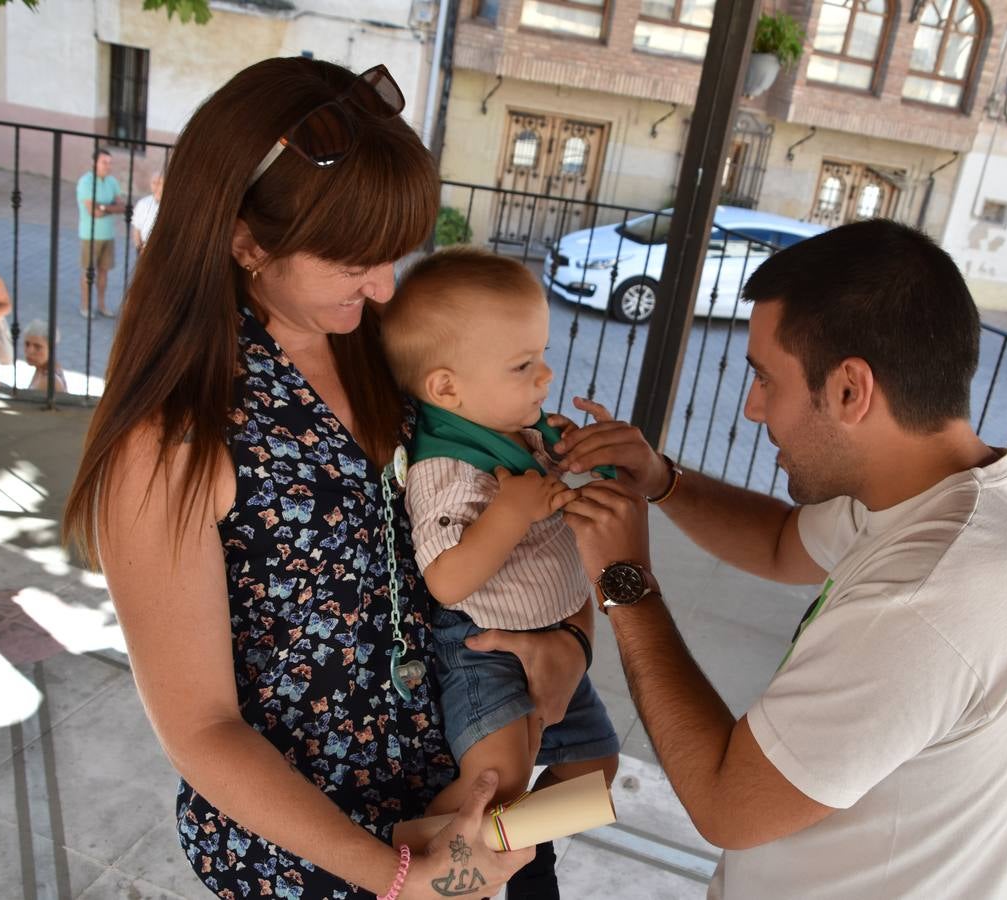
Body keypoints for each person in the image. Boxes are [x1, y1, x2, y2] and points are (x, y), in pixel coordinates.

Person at [59, 58, 609, 899]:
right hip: (325, 863)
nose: (386, 286)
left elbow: (535, 516)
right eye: (354, 260)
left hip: (483, 816)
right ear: (246, 239)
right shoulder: (173, 441)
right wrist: (400, 877)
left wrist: (567, 640)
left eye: (393, 255)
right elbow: (202, 730)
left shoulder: (397, 351)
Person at [546, 219, 1007, 898]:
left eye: (767, 380)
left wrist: (627, 585)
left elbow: (726, 802)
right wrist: (660, 479)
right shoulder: (929, 496)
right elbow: (779, 542)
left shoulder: (932, 590)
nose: (751, 408)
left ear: (851, 390)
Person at [380, 247, 620, 895]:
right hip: (480, 645)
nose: (544, 377)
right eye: (523, 365)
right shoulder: (445, 467)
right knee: (501, 782)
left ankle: (492, 847)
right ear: (446, 387)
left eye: (541, 356)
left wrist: (573, 456)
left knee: (597, 769)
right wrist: (509, 513)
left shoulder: (515, 430)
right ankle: (417, 850)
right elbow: (447, 581)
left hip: (549, 633)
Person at [76, 147, 125, 318]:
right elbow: (93, 212)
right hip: (90, 235)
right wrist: (109, 208)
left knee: (104, 271)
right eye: (104, 162)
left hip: (108, 234)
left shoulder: (112, 182)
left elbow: (122, 207)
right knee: (89, 271)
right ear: (95, 163)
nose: (108, 166)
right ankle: (85, 306)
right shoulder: (86, 182)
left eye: (110, 163)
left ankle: (102, 305)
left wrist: (103, 206)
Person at [22, 320, 66, 394]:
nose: (30, 351)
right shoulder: (41, 368)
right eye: (27, 344)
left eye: (37, 346)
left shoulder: (48, 380)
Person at [131, 172, 163, 253]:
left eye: (159, 183)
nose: (156, 186)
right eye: (153, 183)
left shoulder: (171, 204)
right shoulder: (142, 203)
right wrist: (139, 247)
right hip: (145, 247)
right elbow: (136, 229)